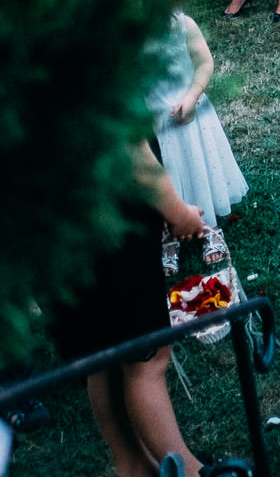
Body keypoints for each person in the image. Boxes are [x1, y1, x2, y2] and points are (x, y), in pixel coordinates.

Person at [50, 142, 207, 477]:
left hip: (54, 219)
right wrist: (179, 213)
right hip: (110, 220)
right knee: (146, 361)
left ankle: (132, 465)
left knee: (100, 356)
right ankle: (190, 473)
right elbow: (128, 146)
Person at [147, 0, 247, 236]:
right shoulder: (132, 39)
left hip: (187, 111)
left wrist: (192, 96)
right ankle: (168, 230)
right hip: (154, 118)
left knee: (195, 168)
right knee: (165, 173)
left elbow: (204, 63)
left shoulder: (185, 26)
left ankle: (208, 225)